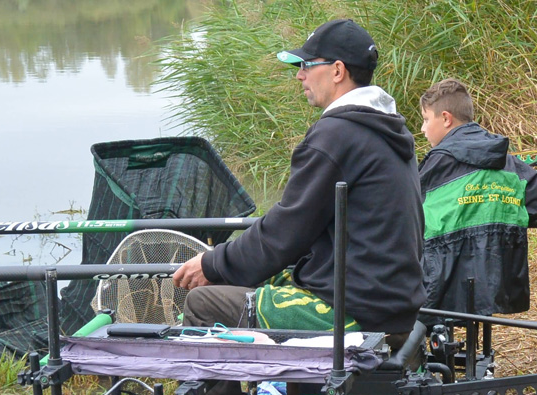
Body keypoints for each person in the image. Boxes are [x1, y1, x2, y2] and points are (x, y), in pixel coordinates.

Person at [173, 19, 427, 392]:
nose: (300, 75)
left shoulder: (337, 135)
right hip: (391, 301)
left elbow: (283, 233)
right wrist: (233, 261)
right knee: (262, 275)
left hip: (357, 312)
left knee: (203, 302)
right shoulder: (386, 128)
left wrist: (212, 262)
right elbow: (294, 227)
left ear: (337, 71)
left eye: (307, 65)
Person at [417, 78, 537, 325]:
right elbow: (532, 207)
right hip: (497, 279)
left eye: (425, 119)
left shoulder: (438, 163)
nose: (422, 129)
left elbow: (411, 213)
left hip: (441, 284)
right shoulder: (506, 160)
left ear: (445, 118)